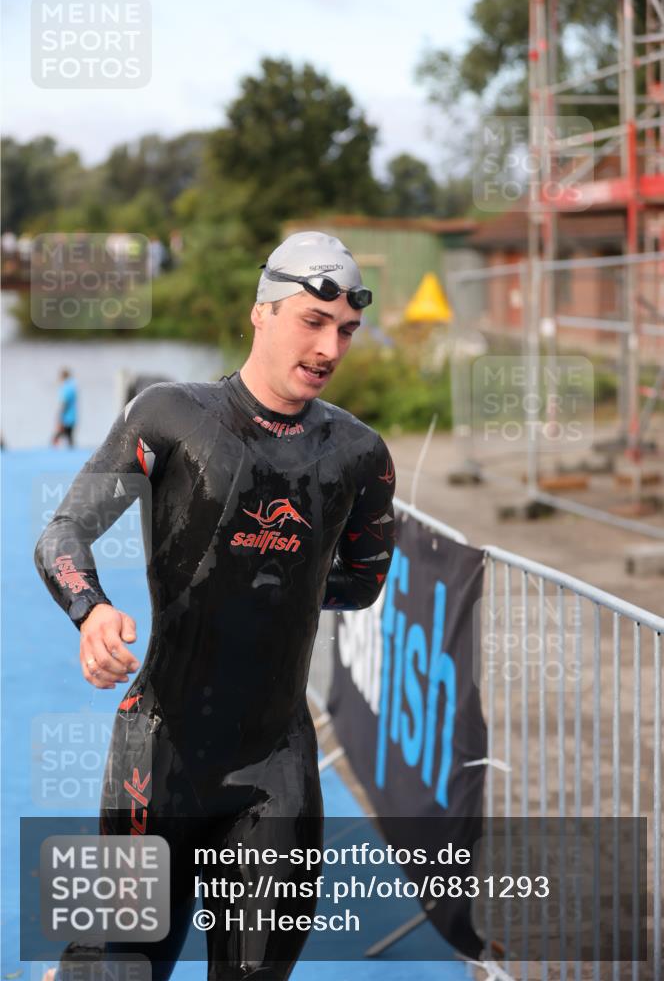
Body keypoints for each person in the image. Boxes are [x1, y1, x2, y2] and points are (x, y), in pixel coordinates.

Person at [34, 231, 396, 981]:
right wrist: (92, 609)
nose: (330, 347)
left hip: (275, 772)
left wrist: (269, 578)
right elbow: (64, 532)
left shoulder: (360, 456)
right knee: (114, 969)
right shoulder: (168, 416)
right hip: (157, 754)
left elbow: (361, 582)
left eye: (346, 331)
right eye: (312, 320)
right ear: (260, 313)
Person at [51, 368, 78, 447]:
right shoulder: (72, 386)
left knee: (56, 438)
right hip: (72, 417)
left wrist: (60, 417)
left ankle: (52, 453)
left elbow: (64, 403)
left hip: (66, 418)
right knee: (70, 439)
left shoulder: (67, 387)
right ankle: (72, 452)